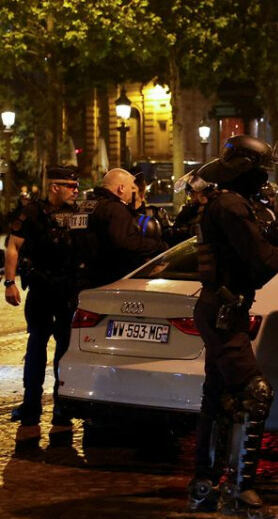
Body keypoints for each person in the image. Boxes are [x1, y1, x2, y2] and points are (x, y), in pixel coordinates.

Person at [186, 135, 278, 519]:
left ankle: (205, 485)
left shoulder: (228, 203)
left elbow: (260, 241)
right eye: (260, 171)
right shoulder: (230, 206)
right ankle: (239, 492)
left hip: (223, 309)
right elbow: (262, 260)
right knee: (255, 392)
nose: (264, 179)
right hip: (224, 311)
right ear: (245, 171)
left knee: (217, 396)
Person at [4, 166, 81, 447]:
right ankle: (31, 407)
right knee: (36, 346)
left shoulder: (80, 213)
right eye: (69, 186)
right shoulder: (33, 213)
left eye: (76, 186)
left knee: (65, 350)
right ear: (54, 187)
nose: (75, 190)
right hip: (41, 288)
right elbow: (13, 247)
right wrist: (9, 282)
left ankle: (62, 408)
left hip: (68, 291)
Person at [82, 168, 168, 290]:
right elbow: (127, 242)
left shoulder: (84, 206)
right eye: (131, 188)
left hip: (86, 279)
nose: (132, 193)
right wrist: (158, 246)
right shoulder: (115, 209)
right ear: (121, 188)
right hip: (111, 280)